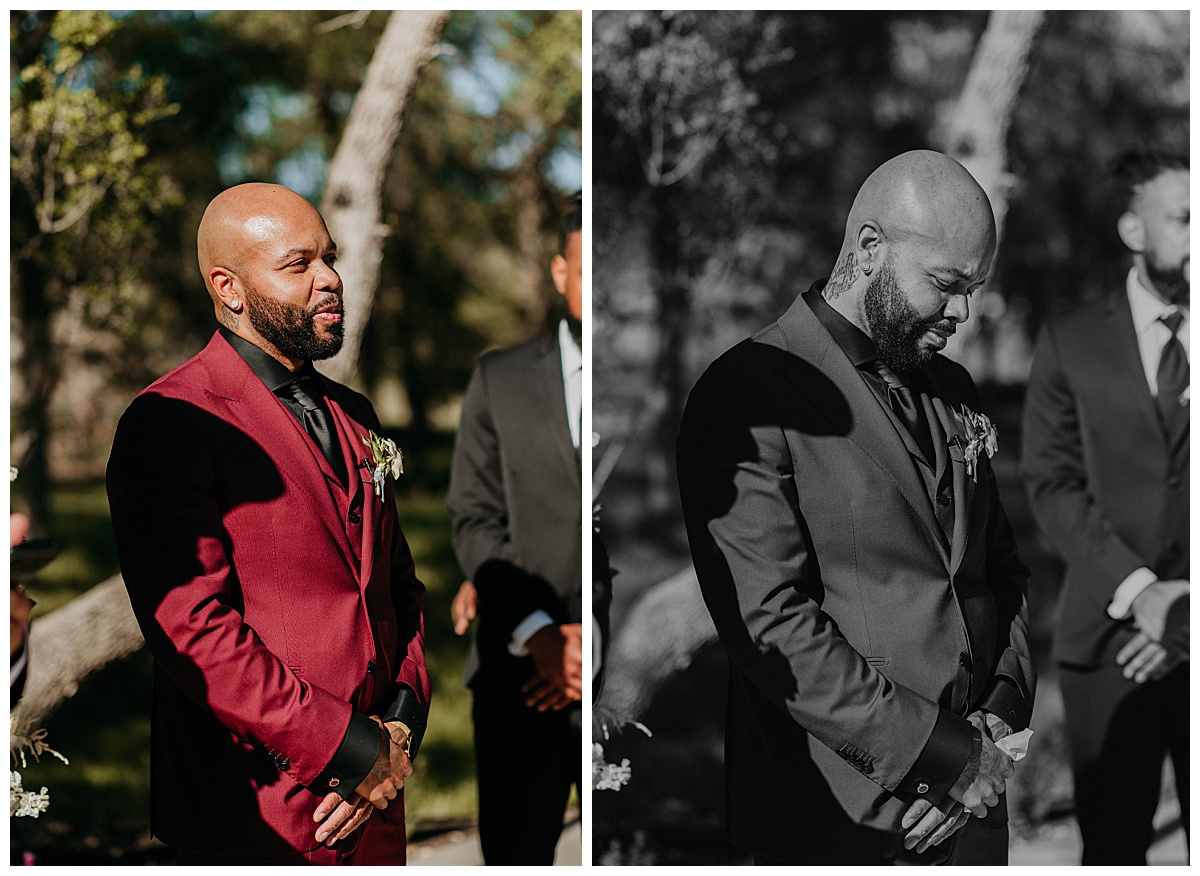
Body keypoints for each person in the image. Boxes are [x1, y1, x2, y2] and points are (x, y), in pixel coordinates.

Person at [676, 151, 1035, 865]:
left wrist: (997, 722)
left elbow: (1000, 571)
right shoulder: (747, 391)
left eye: (977, 288)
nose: (964, 311)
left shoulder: (955, 387)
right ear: (871, 248)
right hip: (840, 817)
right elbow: (770, 620)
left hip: (975, 810)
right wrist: (942, 756)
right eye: (947, 284)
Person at [106, 183, 430, 865]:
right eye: (298, 265)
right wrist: (348, 750)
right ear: (229, 287)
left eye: (330, 259)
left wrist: (400, 727)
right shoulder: (171, 421)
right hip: (258, 812)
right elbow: (193, 629)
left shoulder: (355, 414)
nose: (330, 280)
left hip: (374, 809)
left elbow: (399, 588)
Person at [1020, 150, 1188, 864]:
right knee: (1115, 847)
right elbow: (1052, 485)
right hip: (1112, 641)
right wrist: (1145, 595)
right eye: (1184, 218)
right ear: (1132, 228)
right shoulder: (1070, 340)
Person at [446, 192, 583, 864]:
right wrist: (539, 635)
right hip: (518, 676)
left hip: (625, 684)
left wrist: (597, 642)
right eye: (590, 274)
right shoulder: (497, 379)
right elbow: (473, 517)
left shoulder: (661, 385)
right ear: (561, 272)